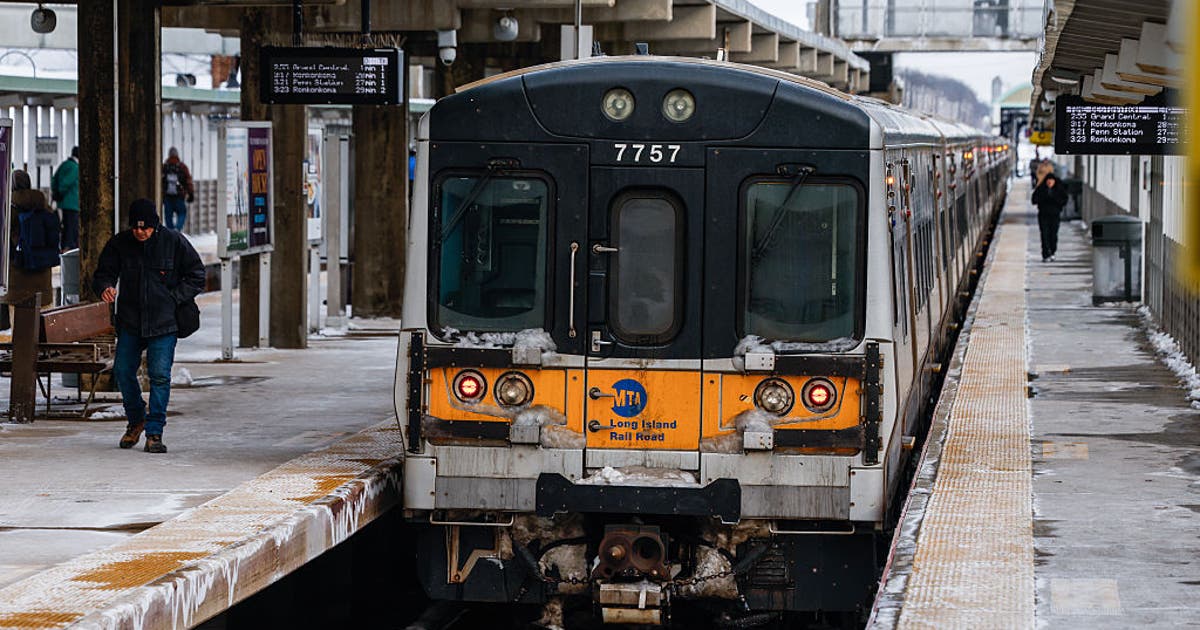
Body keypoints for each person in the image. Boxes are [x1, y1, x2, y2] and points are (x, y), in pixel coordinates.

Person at [92, 199, 205, 453]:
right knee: (122, 372)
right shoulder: (120, 243)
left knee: (160, 375)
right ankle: (136, 419)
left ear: (155, 225)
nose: (140, 232)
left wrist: (174, 298)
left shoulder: (174, 242)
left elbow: (197, 275)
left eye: (145, 228)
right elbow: (103, 272)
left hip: (164, 323)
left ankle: (154, 432)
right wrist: (105, 286)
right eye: (135, 228)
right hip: (131, 321)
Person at [8, 170, 60, 311]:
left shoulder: (8, 210)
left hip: (16, 286)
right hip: (43, 286)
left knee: (20, 331)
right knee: (45, 330)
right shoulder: (45, 208)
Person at [1032, 159, 1069, 263]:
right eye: (1048, 181)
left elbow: (1064, 200)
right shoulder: (1041, 189)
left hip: (1055, 215)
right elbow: (1034, 200)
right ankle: (1045, 254)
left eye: (1051, 181)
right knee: (1044, 234)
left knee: (1053, 234)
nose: (1049, 182)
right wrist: (1044, 197)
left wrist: (1054, 199)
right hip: (1043, 215)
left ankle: (1052, 251)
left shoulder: (1059, 189)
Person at [51, 146, 81, 251]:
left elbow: (54, 180)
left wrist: (56, 193)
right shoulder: (75, 167)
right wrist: (60, 191)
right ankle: (69, 251)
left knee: (65, 228)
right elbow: (67, 182)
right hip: (72, 203)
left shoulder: (63, 165)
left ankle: (64, 249)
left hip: (62, 203)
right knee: (71, 230)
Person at [162, 147, 195, 232]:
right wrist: (190, 193)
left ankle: (170, 232)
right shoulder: (182, 167)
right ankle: (177, 229)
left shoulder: (164, 167)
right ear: (177, 155)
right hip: (179, 196)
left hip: (167, 197)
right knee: (182, 213)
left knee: (168, 216)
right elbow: (188, 180)